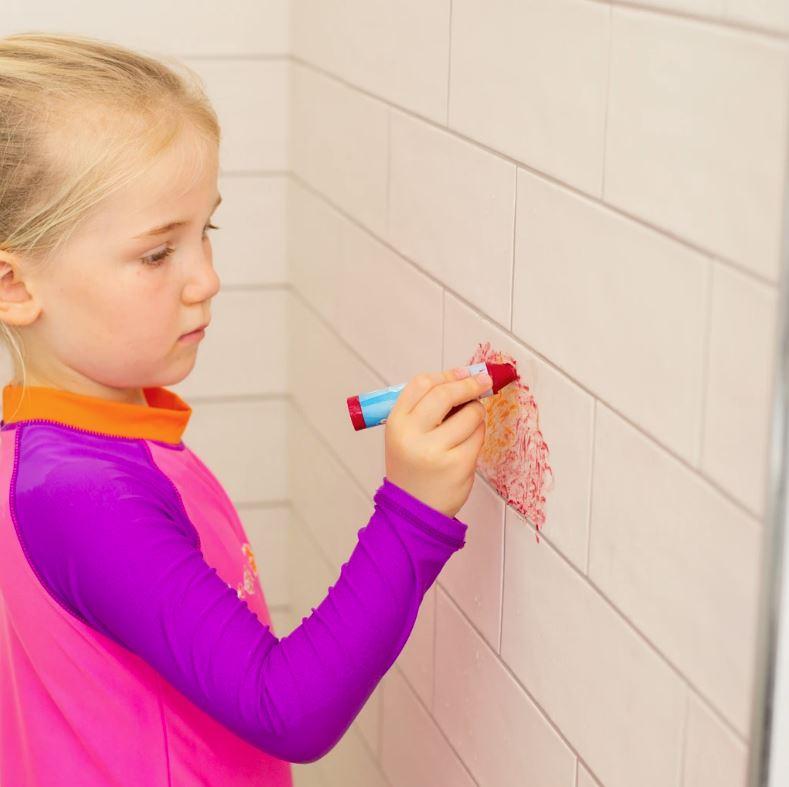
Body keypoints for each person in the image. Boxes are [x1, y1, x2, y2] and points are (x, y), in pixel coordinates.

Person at [0, 32, 490, 786]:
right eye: (158, 253)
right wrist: (412, 510)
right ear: (14, 286)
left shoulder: (75, 444)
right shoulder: (83, 494)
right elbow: (286, 707)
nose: (206, 279)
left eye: (207, 231)